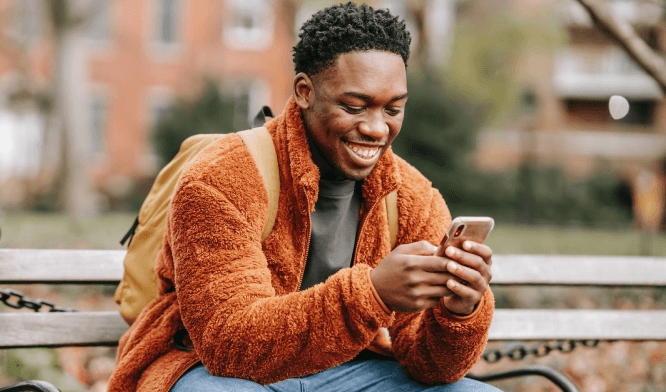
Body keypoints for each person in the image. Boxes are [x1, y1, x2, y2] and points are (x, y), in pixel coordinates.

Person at [108, 3, 499, 392]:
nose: (377, 128)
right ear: (304, 92)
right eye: (354, 106)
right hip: (210, 370)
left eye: (393, 108)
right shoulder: (222, 176)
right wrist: (373, 294)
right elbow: (228, 346)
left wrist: (458, 311)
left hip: (350, 370)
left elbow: (431, 368)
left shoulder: (412, 198)